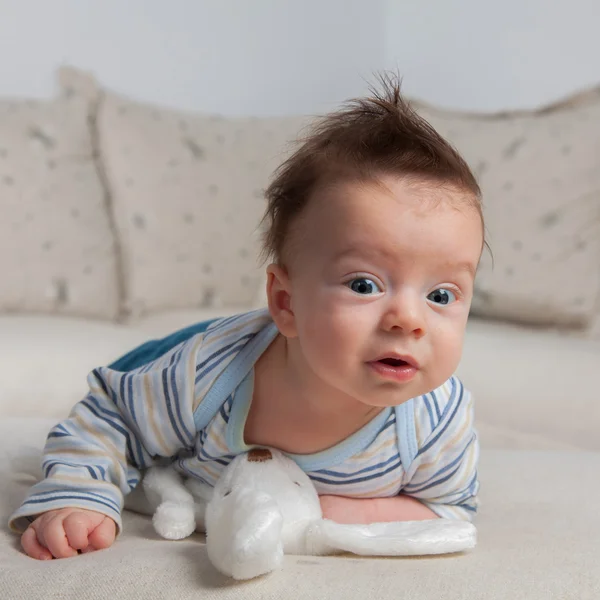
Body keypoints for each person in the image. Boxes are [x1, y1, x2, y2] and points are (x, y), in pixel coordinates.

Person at [11, 75, 483, 560]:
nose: (409, 319)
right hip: (189, 357)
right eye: (364, 285)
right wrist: (79, 498)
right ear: (286, 302)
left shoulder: (436, 419)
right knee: (139, 398)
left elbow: (451, 509)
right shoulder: (206, 375)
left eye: (442, 295)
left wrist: (326, 512)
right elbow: (109, 419)